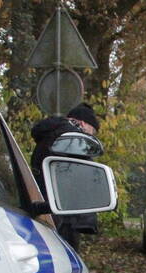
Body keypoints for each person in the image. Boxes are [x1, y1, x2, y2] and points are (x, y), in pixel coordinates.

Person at [30, 102, 100, 252]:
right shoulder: (72, 139)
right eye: (92, 130)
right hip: (62, 215)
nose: (91, 135)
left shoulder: (51, 135)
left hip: (42, 206)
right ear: (82, 123)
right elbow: (80, 177)